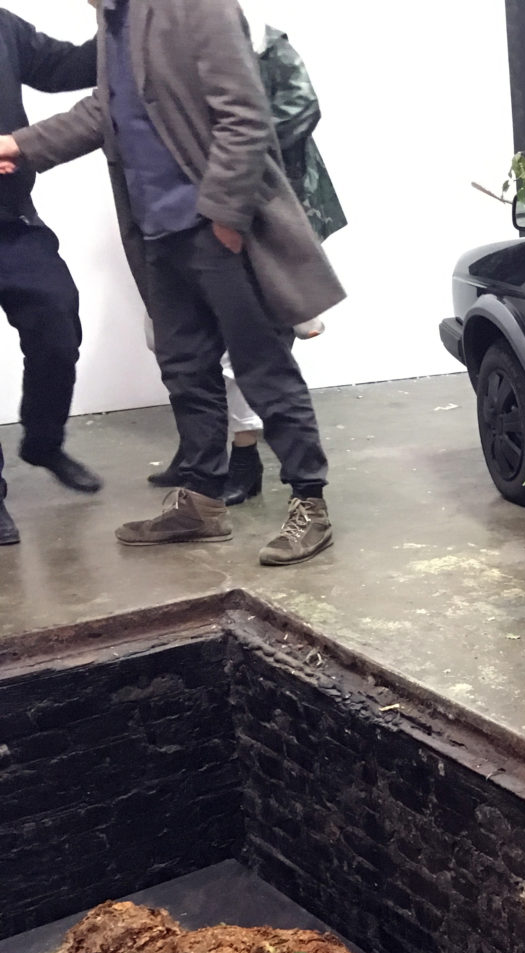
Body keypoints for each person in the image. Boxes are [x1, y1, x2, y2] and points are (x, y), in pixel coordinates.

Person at [0, 0, 346, 566]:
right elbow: (107, 109)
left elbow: (246, 114)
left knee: (262, 366)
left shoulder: (195, 6)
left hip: (213, 227)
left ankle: (310, 503)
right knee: (186, 369)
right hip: (156, 229)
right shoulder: (115, 19)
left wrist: (227, 217)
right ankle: (202, 504)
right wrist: (21, 145)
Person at [148, 6, 346, 506]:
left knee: (252, 349)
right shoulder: (164, 38)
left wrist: (225, 161)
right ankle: (204, 452)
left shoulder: (260, 39)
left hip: (259, 207)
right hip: (193, 211)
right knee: (182, 344)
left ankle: (247, 459)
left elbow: (299, 109)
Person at [0, 6, 101, 548]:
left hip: (12, 223)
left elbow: (67, 66)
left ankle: (43, 442)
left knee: (57, 325)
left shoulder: (3, 25)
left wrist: (123, 19)